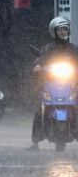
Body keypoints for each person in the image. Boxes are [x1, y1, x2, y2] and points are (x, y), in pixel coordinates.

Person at [27, 16, 78, 151]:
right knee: (39, 108)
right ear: (54, 32)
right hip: (51, 84)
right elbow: (40, 59)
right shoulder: (48, 49)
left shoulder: (73, 49)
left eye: (65, 29)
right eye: (60, 30)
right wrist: (37, 65)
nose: (63, 32)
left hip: (71, 84)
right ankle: (36, 142)